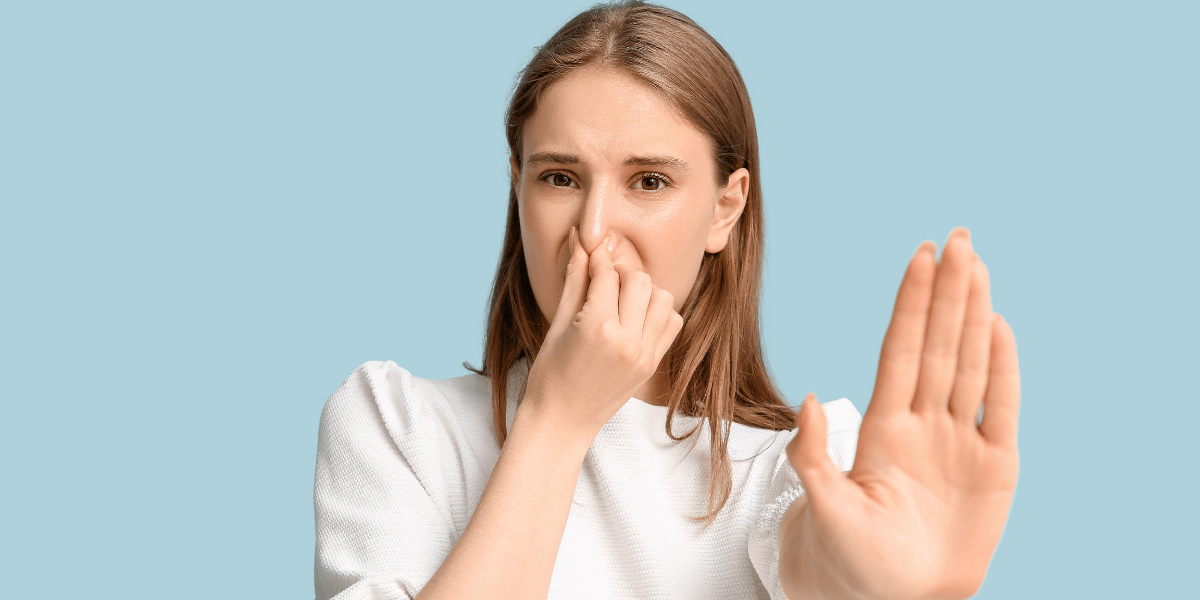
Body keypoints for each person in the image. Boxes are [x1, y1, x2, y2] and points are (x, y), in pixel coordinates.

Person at [312, 2, 1021, 599]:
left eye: (649, 182)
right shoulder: (398, 424)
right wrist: (558, 421)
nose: (592, 232)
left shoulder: (800, 463)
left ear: (724, 208)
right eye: (559, 178)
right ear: (516, 184)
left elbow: (816, 554)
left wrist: (873, 578)